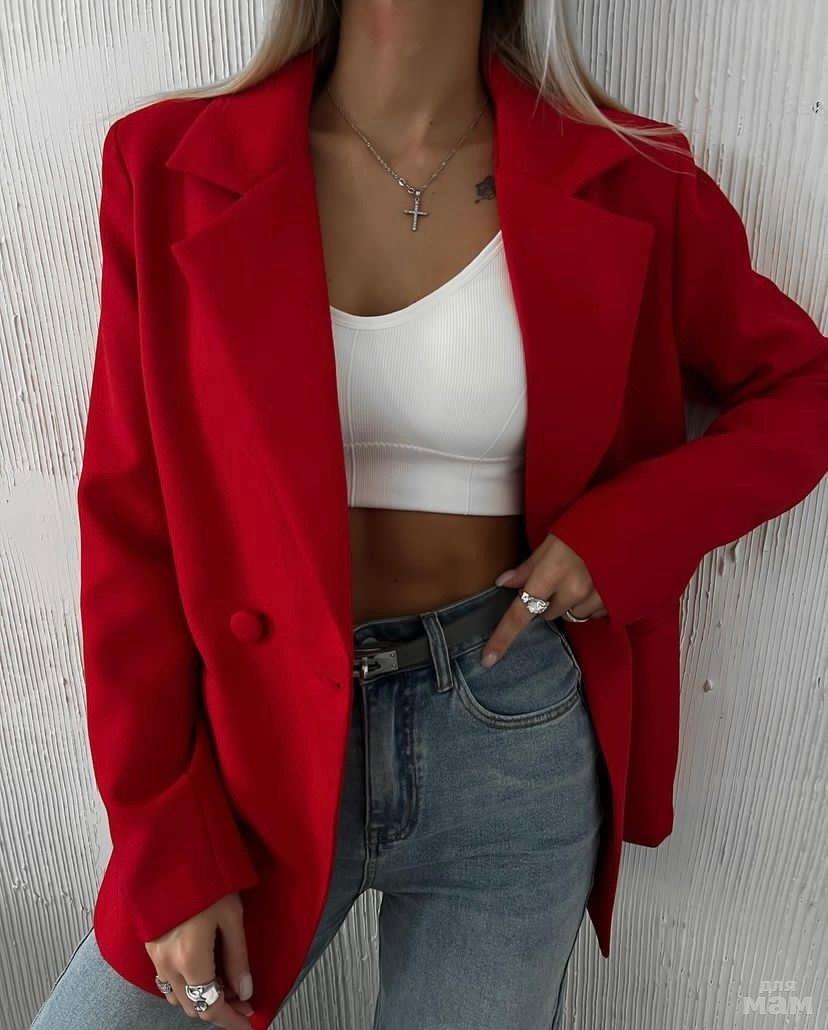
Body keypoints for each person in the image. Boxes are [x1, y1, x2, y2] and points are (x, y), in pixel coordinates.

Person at [30, 1, 828, 1029]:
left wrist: (625, 535)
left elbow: (802, 390)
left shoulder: (632, 175)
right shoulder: (170, 164)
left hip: (512, 735)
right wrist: (168, 845)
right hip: (255, 743)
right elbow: (129, 527)